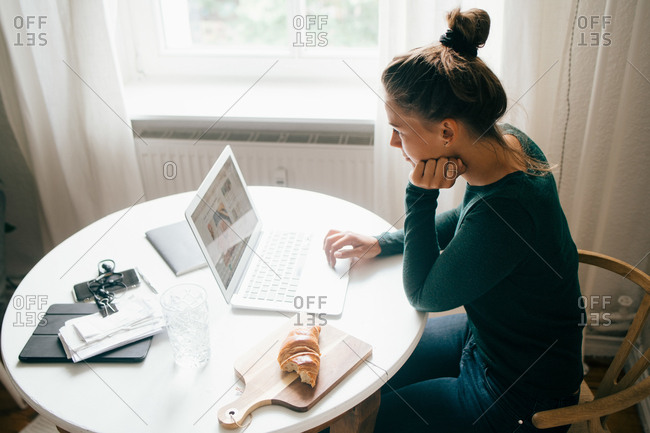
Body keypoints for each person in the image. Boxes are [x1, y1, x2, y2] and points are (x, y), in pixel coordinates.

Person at [323, 8, 584, 433]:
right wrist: (385, 241)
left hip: (519, 397)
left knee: (370, 418)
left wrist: (419, 195)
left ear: (446, 132)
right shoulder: (508, 144)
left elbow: (423, 293)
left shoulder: (508, 211)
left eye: (398, 129)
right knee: (367, 375)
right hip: (486, 342)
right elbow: (466, 219)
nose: (393, 142)